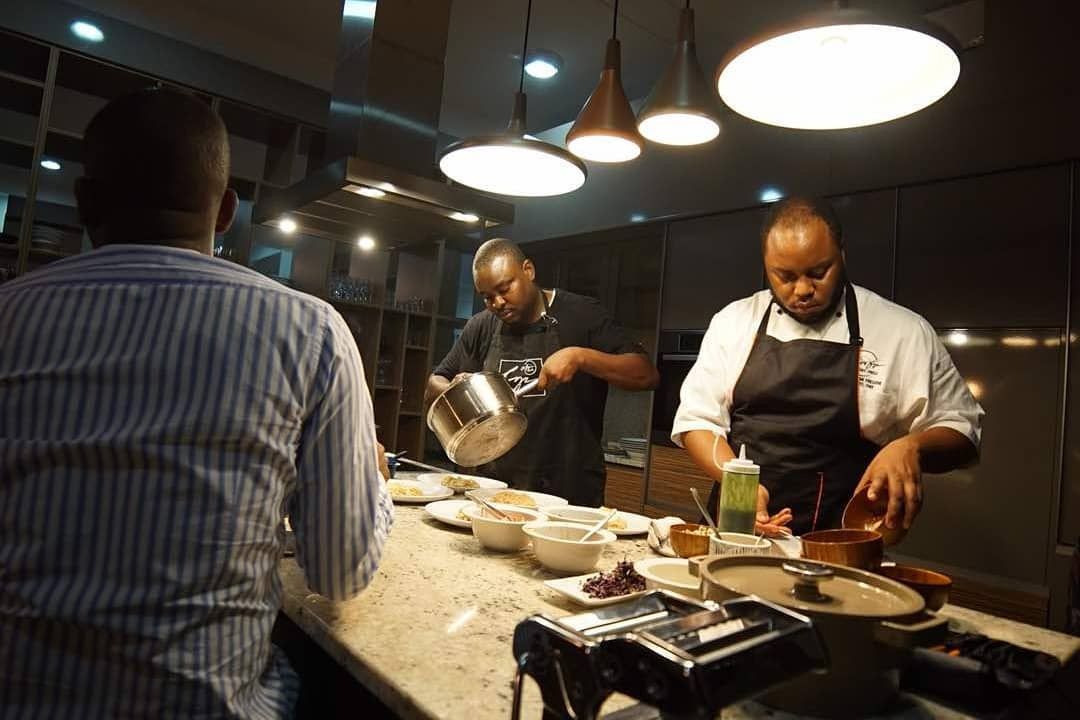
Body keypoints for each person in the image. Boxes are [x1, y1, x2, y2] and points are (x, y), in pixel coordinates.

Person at [0, 89, 392, 718]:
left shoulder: (10, 314)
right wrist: (376, 487)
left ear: (83, 202)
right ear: (227, 210)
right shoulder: (313, 332)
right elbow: (340, 573)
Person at [673, 196, 983, 536]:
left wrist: (912, 447)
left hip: (839, 546)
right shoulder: (733, 322)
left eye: (819, 272)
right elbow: (698, 420)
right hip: (736, 535)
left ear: (842, 255)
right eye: (784, 276)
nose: (803, 289)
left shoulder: (901, 331)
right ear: (765, 266)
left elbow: (961, 428)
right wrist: (738, 482)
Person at [426, 239, 658, 506]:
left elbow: (646, 374)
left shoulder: (582, 314)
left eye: (504, 289)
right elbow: (434, 382)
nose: (498, 302)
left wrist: (581, 357)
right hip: (497, 490)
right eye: (487, 297)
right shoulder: (481, 326)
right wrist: (454, 389)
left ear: (528, 270)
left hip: (570, 492)